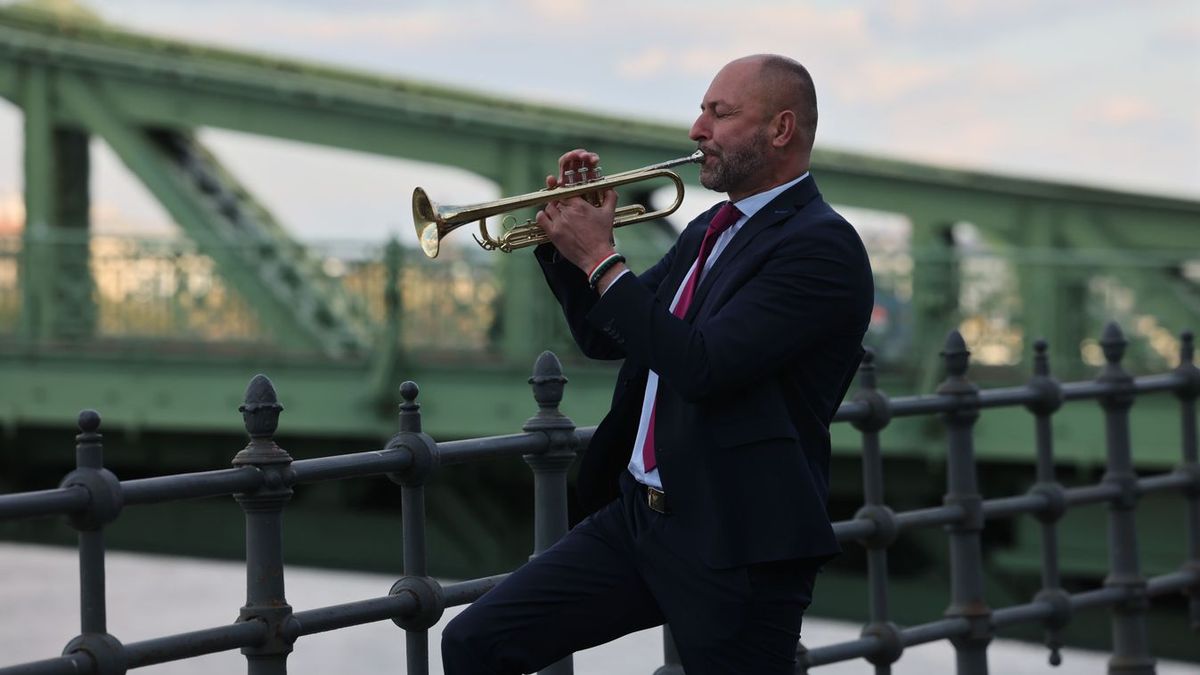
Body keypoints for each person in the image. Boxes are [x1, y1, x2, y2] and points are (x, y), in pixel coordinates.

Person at [441, 53, 874, 675]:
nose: (697, 129)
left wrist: (600, 256)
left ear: (781, 129)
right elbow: (606, 335)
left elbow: (702, 366)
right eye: (701, 110)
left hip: (736, 542)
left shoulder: (821, 247)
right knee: (475, 643)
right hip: (639, 519)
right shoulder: (709, 230)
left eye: (720, 113)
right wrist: (566, 245)